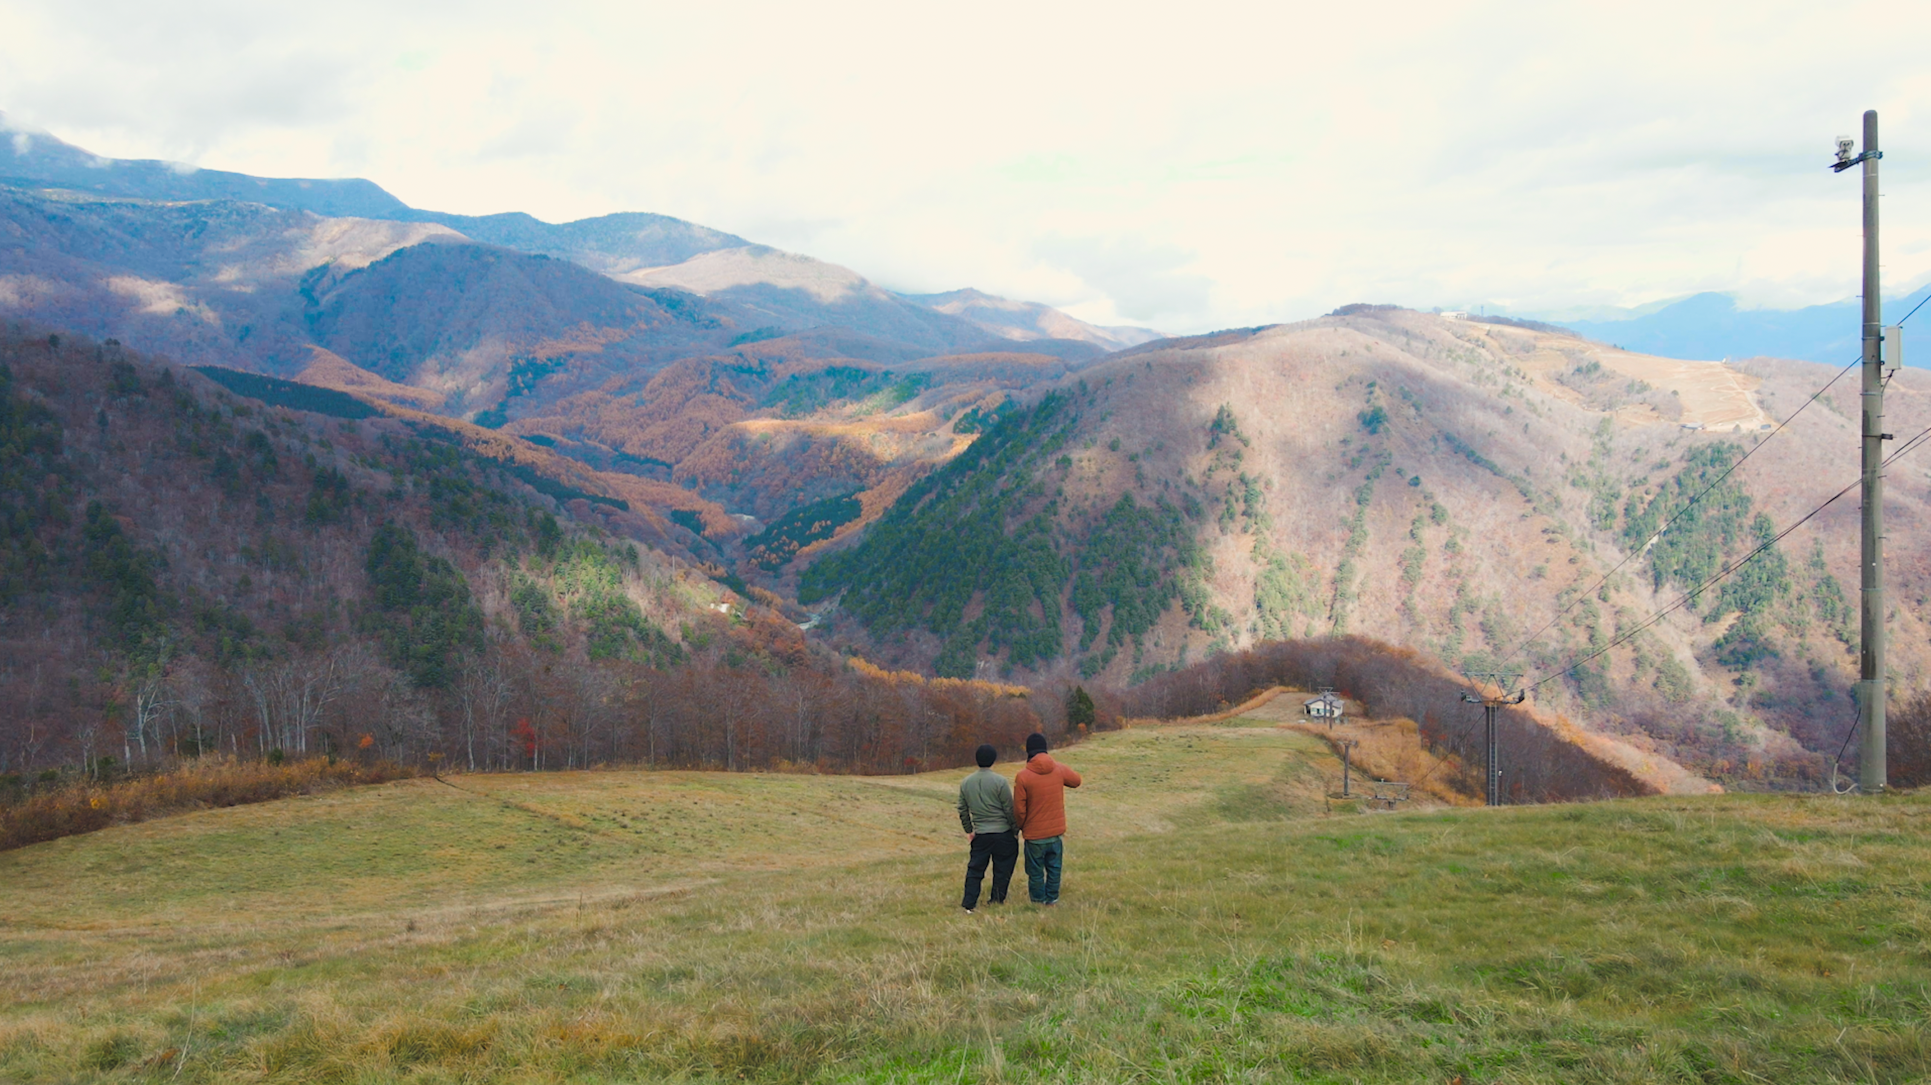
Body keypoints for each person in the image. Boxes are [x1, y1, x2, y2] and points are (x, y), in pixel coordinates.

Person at [1013, 731, 1081, 906]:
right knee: (1054, 868)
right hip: (1056, 833)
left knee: (1035, 871)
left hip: (1034, 835)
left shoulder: (1023, 776)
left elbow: (1019, 810)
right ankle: (1052, 899)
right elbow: (1076, 781)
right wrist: (1059, 768)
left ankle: (1038, 902)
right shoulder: (1058, 768)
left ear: (1028, 751)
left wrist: (1021, 827)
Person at [956, 743, 1018, 913]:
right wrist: (1015, 830)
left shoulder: (966, 782)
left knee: (975, 869)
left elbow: (962, 809)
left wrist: (969, 830)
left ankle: (969, 904)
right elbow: (1009, 809)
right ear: (994, 760)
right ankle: (997, 900)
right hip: (1003, 833)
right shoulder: (1000, 781)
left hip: (981, 834)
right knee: (1003, 868)